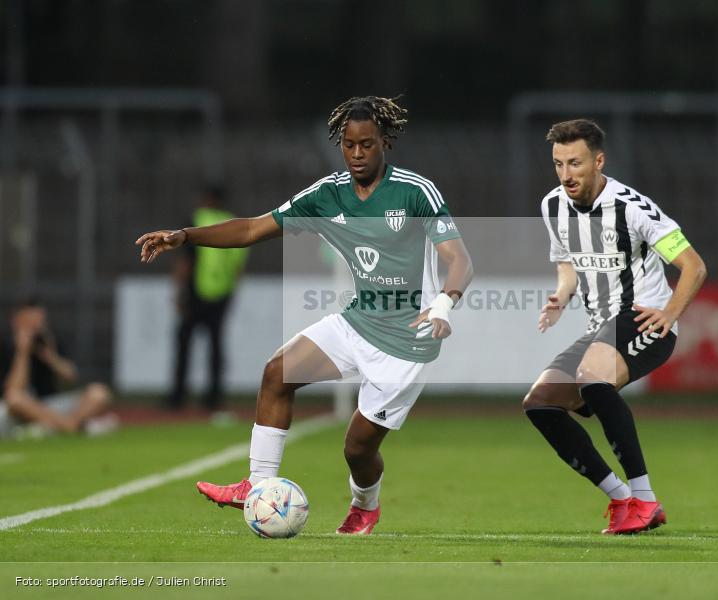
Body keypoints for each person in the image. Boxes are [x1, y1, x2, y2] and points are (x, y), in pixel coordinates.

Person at [135, 96, 473, 535]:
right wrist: (184, 236)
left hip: (409, 338)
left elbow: (460, 259)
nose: (356, 154)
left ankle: (364, 505)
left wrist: (445, 302)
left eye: (366, 145)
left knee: (357, 449)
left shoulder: (414, 191)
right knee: (278, 371)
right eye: (349, 145)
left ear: (384, 142)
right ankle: (255, 486)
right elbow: (253, 228)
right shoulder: (327, 194)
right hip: (359, 321)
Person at [523, 119, 707, 535]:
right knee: (540, 404)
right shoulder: (553, 205)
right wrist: (562, 294)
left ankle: (645, 498)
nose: (566, 174)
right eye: (558, 164)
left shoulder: (633, 208)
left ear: (598, 161)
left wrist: (669, 314)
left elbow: (693, 265)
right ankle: (622, 498)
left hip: (643, 320)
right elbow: (567, 262)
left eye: (575, 163)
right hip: (599, 328)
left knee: (592, 377)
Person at [169, 186, 249, 411]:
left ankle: (178, 396)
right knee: (216, 346)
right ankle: (214, 397)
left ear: (207, 199)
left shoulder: (196, 220)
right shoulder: (233, 222)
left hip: (195, 291)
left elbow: (185, 261)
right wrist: (231, 292)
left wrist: (177, 291)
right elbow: (239, 264)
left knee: (184, 343)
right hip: (222, 292)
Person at [0, 298, 114, 437]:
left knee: (99, 393)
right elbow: (13, 390)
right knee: (15, 398)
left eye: (39, 322)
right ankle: (74, 427)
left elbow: (71, 377)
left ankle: (59, 426)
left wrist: (51, 358)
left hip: (50, 406)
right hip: (18, 410)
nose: (35, 327)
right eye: (29, 322)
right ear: (16, 321)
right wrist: (22, 353)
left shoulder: (50, 342)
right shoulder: (5, 346)